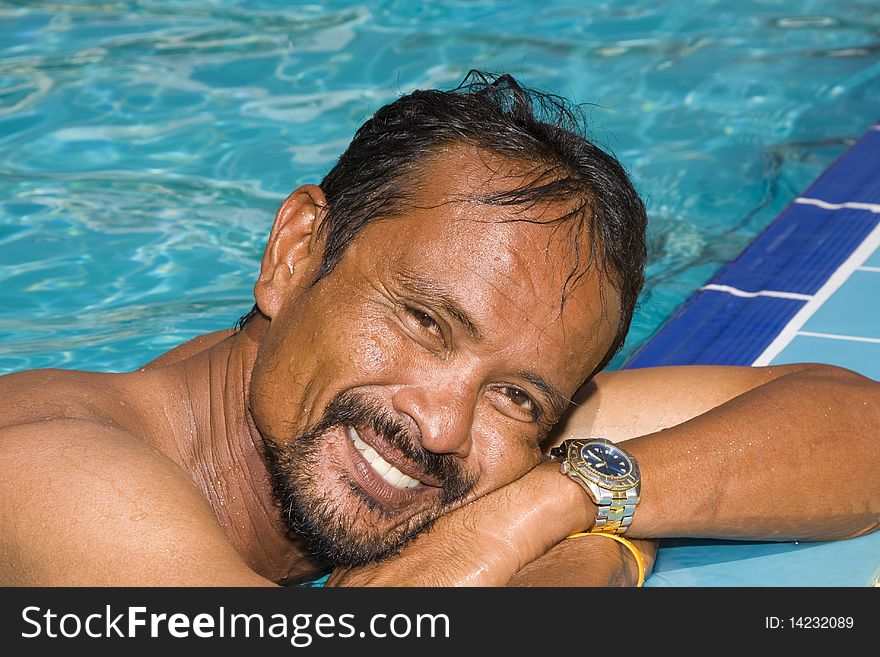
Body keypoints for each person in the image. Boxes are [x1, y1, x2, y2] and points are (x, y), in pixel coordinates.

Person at [0, 72, 877, 587]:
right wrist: (602, 557)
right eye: (424, 321)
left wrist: (554, 504)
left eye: (518, 394)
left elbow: (854, 427)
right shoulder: (55, 469)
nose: (442, 426)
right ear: (296, 254)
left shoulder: (454, 436)